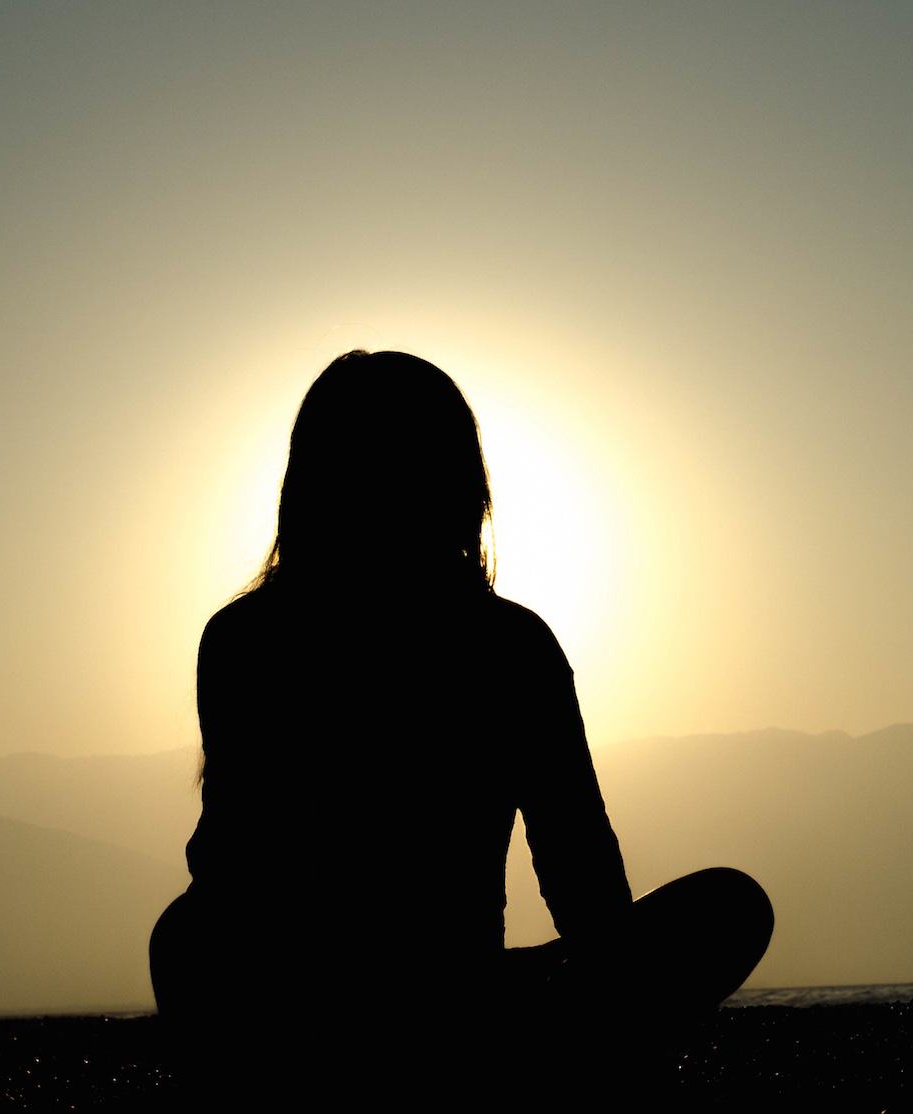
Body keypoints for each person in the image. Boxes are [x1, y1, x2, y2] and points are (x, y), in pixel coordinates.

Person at [149, 350, 772, 1075]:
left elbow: (230, 865)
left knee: (187, 932)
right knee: (730, 908)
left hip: (301, 1007)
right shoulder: (509, 645)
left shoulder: (245, 637)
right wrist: (612, 989)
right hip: (442, 1007)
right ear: (461, 484)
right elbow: (583, 878)